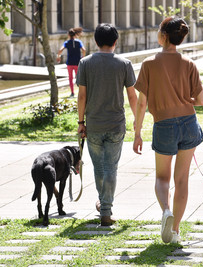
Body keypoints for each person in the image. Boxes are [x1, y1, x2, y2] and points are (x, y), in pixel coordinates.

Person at [133, 17, 203, 244]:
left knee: (162, 177)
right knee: (182, 179)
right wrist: (186, 98)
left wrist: (137, 133)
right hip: (189, 123)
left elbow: (142, 104)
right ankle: (175, 231)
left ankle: (166, 210)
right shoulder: (189, 63)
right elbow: (202, 101)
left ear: (163, 36)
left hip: (163, 125)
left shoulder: (148, 64)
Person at [77, 23, 138, 226]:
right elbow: (132, 95)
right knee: (111, 167)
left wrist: (80, 122)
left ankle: (103, 205)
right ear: (115, 41)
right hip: (116, 125)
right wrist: (137, 119)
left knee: (98, 168)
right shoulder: (124, 64)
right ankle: (106, 209)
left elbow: (82, 96)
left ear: (95, 41)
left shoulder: (85, 63)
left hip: (93, 124)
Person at [57, 28, 86, 97]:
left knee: (70, 78)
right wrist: (83, 57)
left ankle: (72, 92)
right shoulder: (78, 42)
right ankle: (80, 91)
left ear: (69, 35)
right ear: (75, 34)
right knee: (79, 77)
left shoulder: (67, 42)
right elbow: (84, 50)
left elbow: (60, 50)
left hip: (70, 62)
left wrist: (58, 57)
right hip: (77, 62)